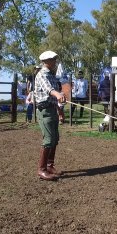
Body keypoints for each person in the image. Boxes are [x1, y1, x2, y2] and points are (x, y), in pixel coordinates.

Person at [33, 50, 66, 181]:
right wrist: (58, 94)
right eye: (52, 59)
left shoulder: (52, 75)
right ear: (45, 61)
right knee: (48, 139)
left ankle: (49, 166)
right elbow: (49, 89)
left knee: (55, 138)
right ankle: (41, 170)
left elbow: (53, 94)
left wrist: (59, 109)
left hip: (52, 109)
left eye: (55, 59)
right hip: (44, 110)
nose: (55, 61)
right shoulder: (42, 74)